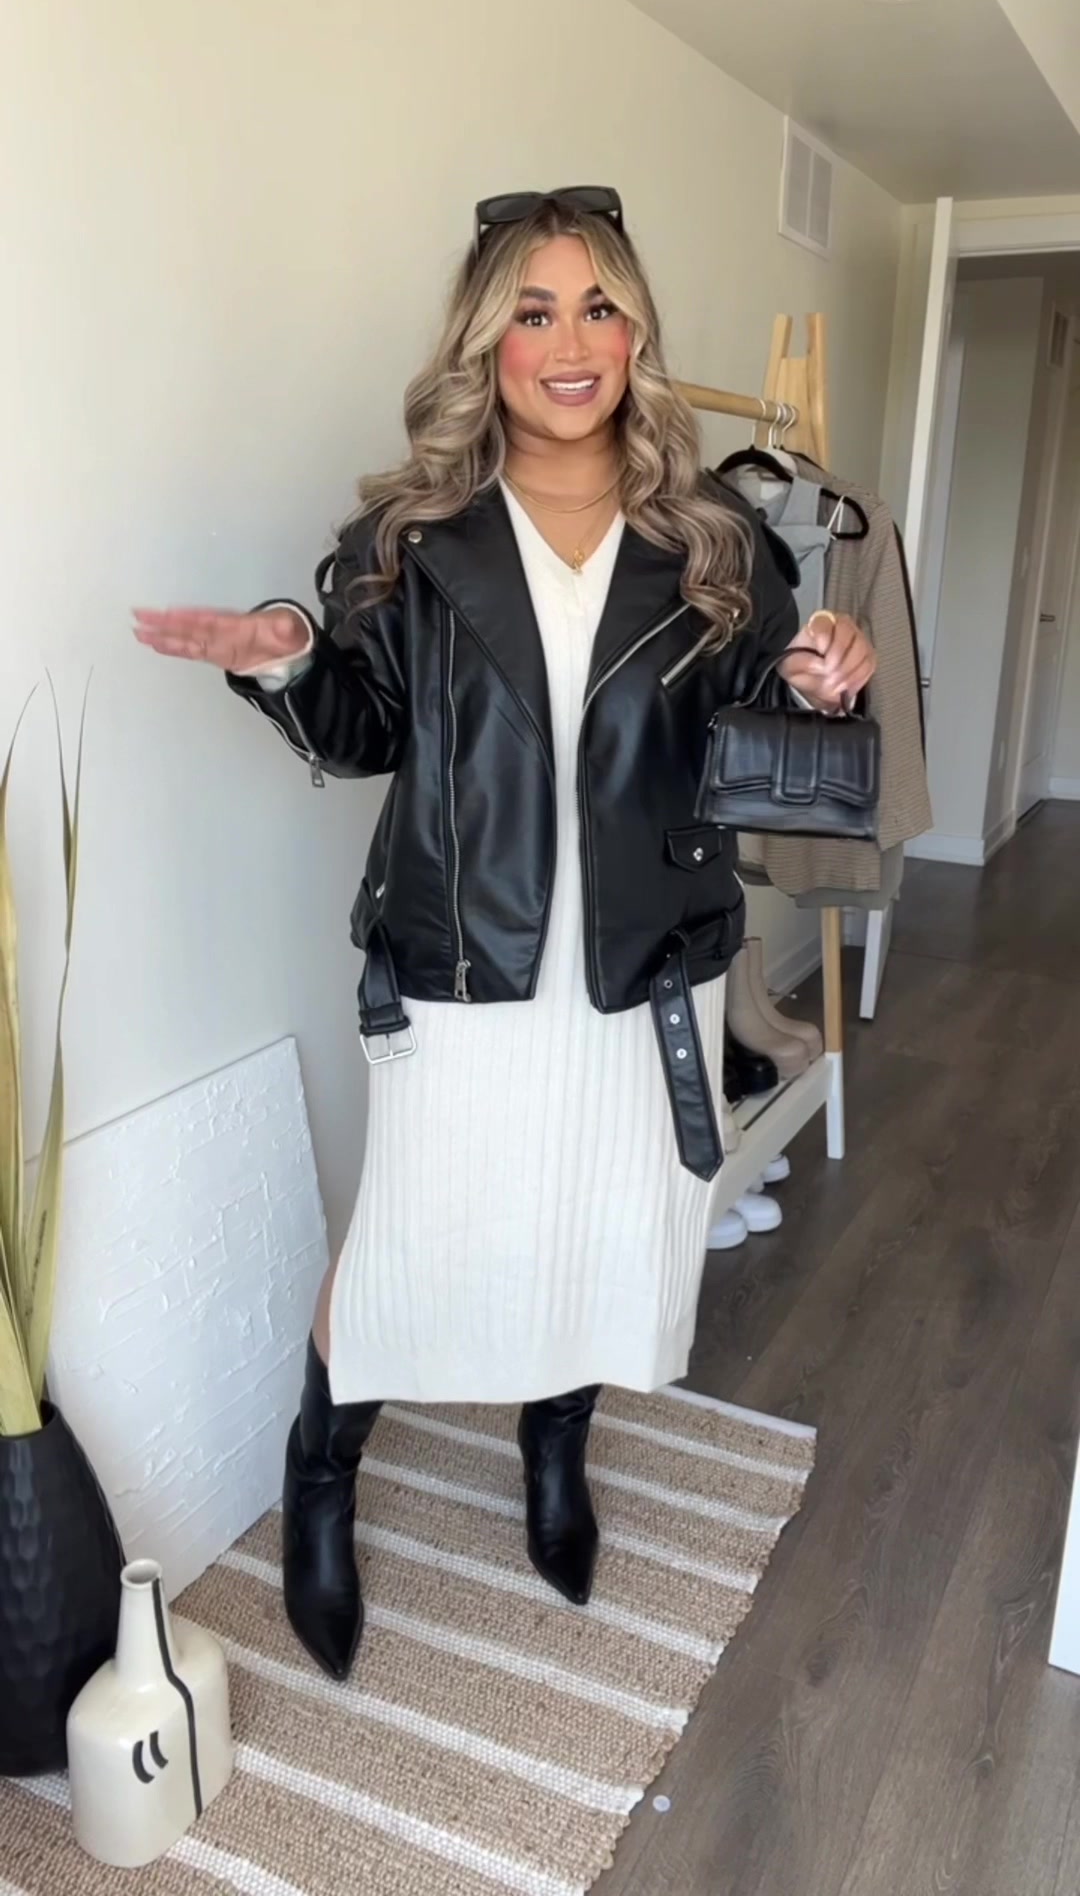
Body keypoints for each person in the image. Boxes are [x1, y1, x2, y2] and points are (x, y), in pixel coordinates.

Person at [134, 186, 875, 1683]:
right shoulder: (409, 540)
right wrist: (287, 661)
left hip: (645, 965)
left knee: (594, 1225)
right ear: (489, 341)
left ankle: (555, 1451)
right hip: (462, 962)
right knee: (405, 1244)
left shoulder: (717, 538)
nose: (572, 342)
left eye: (599, 307)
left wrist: (820, 671)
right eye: (535, 312)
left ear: (636, 332)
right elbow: (364, 733)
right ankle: (322, 1475)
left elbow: (747, 729)